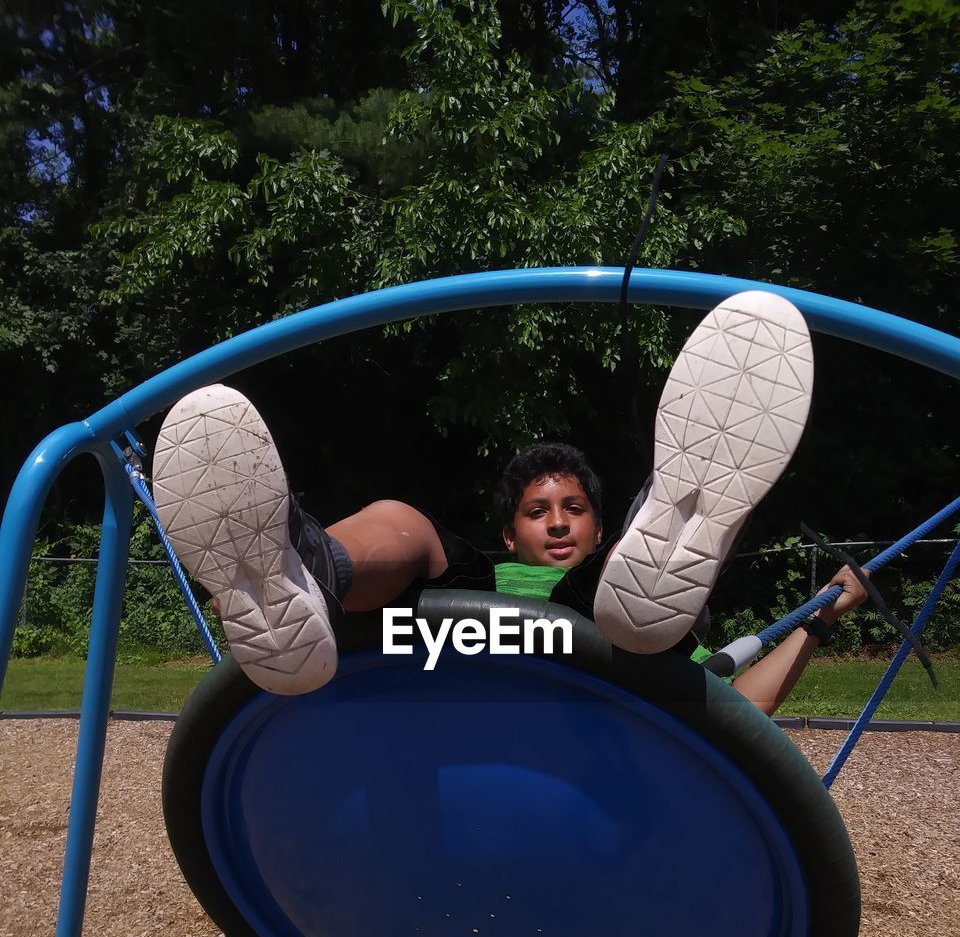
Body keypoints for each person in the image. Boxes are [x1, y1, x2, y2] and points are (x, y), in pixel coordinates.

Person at [151, 290, 867, 712]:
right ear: (508, 533)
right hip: (469, 636)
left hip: (604, 630)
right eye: (536, 511)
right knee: (406, 524)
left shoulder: (636, 599)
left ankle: (673, 510)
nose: (557, 520)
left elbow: (739, 713)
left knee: (627, 607)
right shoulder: (488, 576)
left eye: (574, 508)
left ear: (597, 523)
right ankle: (302, 571)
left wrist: (820, 618)